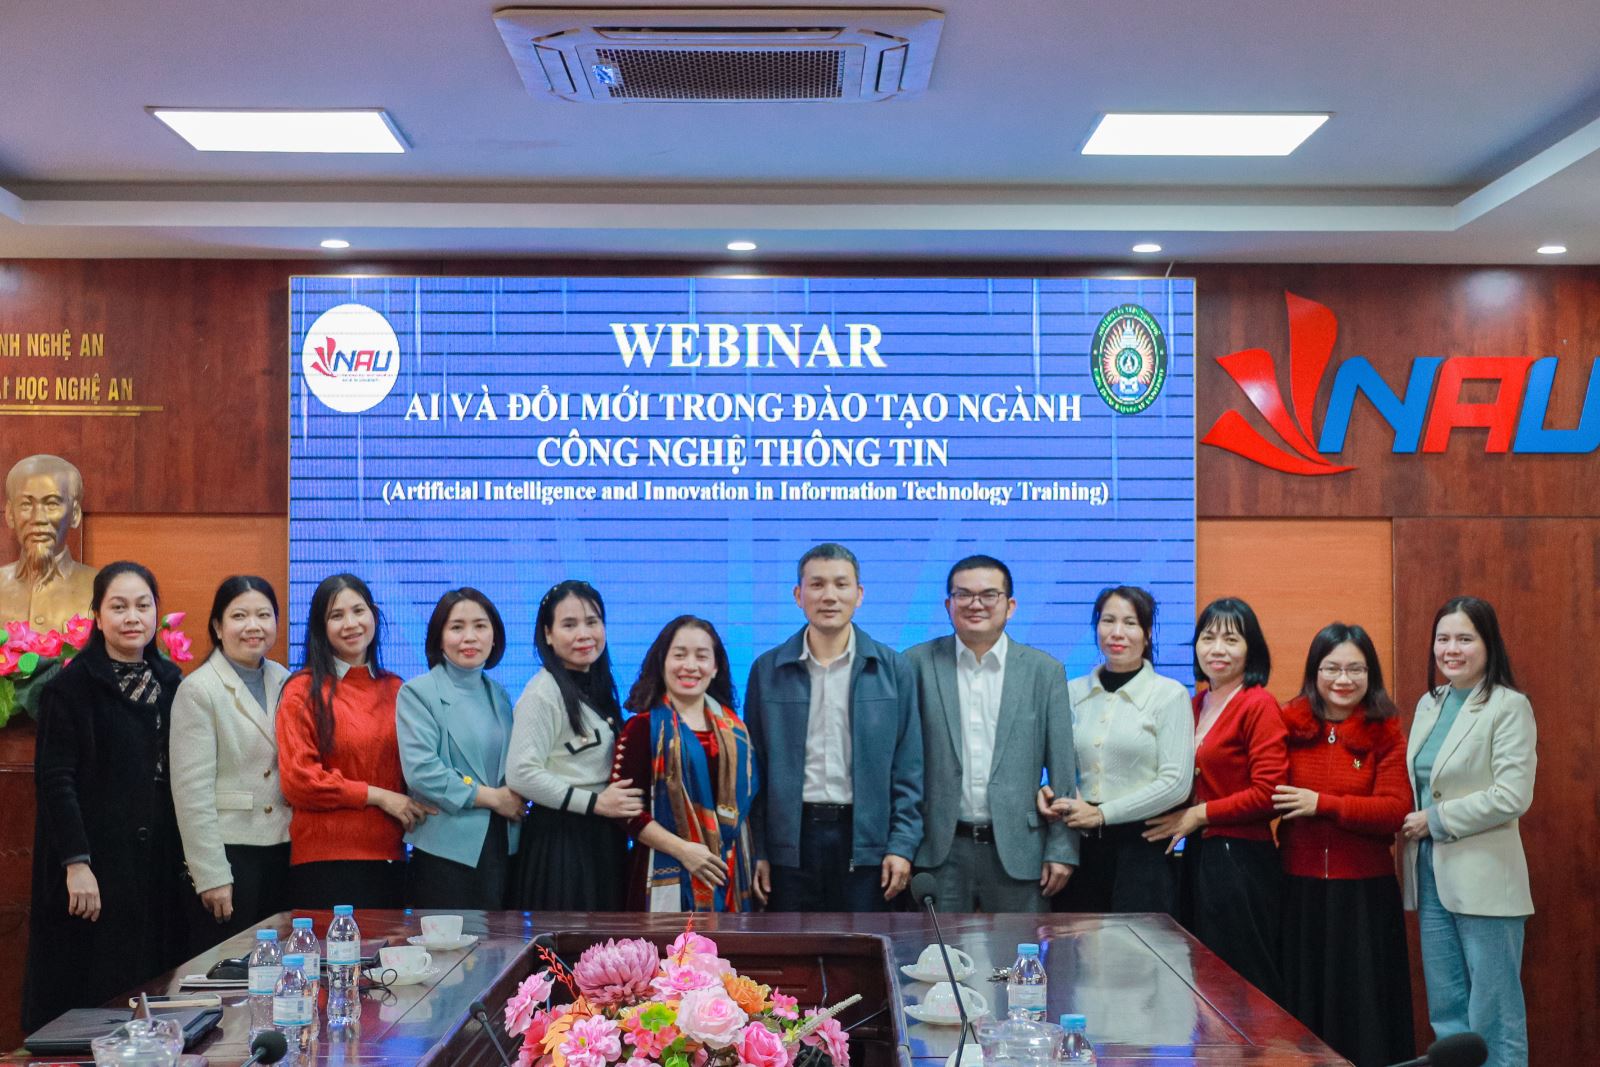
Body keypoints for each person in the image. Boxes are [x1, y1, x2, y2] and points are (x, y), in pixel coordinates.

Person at [22, 561, 185, 1032]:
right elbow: (56, 781)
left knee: (152, 993)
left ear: (156, 613)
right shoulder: (69, 688)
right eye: (118, 607)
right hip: (93, 870)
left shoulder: (172, 683)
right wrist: (76, 863)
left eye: (143, 605)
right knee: (91, 998)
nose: (132, 617)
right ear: (97, 615)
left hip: (154, 867)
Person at [745, 542, 923, 912]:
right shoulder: (768, 670)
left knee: (865, 944)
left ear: (859, 595)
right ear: (798, 595)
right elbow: (755, 770)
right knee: (792, 944)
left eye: (841, 585)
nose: (829, 596)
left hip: (867, 842)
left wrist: (901, 846)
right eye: (817, 584)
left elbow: (909, 768)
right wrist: (759, 849)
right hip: (790, 843)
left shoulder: (892, 669)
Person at [1400, 597, 1535, 1067]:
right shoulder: (1430, 703)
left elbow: (1512, 795)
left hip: (1486, 880)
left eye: (1464, 638)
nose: (1451, 649)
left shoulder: (1508, 706)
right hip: (1430, 873)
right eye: (1443, 639)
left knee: (1495, 1018)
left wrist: (1436, 819)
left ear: (1488, 643)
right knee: (1449, 1015)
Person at [1273, 623, 1414, 1067]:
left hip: (1364, 895)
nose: (1343, 679)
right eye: (1331, 668)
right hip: (1298, 891)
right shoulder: (1287, 723)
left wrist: (1322, 804)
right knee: (1300, 1016)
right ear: (1314, 672)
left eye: (1356, 669)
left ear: (1371, 675)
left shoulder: (1386, 730)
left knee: (1364, 1016)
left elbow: (1395, 810)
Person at [908, 555, 1077, 912]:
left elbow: (1063, 768)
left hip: (1021, 850)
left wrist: (1062, 849)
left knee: (1019, 949)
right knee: (937, 948)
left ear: (1010, 605)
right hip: (938, 850)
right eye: (963, 594)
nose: (975, 604)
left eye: (989, 595)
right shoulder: (916, 664)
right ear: (948, 604)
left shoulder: (1044, 671)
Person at [1145, 596, 1287, 1005]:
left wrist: (1199, 814)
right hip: (1199, 856)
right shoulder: (1193, 703)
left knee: (1244, 978)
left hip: (1242, 860)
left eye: (1231, 639)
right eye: (1208, 638)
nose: (1217, 649)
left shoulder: (1257, 703)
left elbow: (1270, 792)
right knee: (1203, 979)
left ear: (1251, 649)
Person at [275, 574, 431, 908]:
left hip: (391, 858)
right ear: (321, 627)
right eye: (336, 615)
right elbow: (299, 782)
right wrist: (379, 796)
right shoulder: (301, 689)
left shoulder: (397, 689)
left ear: (373, 614)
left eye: (358, 611)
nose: (351, 624)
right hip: (324, 863)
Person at [1039, 585, 1192, 915]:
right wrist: (1044, 790)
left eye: (1130, 623)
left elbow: (1176, 783)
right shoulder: (1071, 692)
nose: (1117, 632)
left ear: (1147, 634)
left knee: (1135, 946)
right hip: (1077, 846)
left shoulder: (1170, 695)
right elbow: (1052, 761)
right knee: (1074, 942)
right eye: (1108, 620)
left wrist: (1102, 814)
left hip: (1142, 849)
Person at [170, 575, 292, 953]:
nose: (253, 626)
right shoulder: (199, 689)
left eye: (264, 615)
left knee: (279, 965)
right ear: (218, 627)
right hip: (231, 854)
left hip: (283, 847)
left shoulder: (285, 679)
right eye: (239, 616)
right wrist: (211, 874)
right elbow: (191, 793)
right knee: (229, 967)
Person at [507, 580, 643, 911]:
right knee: (570, 939)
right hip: (563, 842)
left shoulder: (597, 684)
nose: (584, 634)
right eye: (569, 625)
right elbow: (521, 773)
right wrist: (596, 803)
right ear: (548, 634)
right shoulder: (543, 692)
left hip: (602, 835)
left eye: (592, 622)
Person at [613, 615, 759, 912]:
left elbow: (749, 807)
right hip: (664, 869)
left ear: (715, 667)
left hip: (731, 870)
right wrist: (684, 851)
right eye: (679, 655)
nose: (690, 666)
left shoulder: (738, 733)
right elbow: (627, 814)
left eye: (701, 656)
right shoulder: (642, 728)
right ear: (662, 662)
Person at [397, 588, 522, 910]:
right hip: (446, 851)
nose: (470, 637)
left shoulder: (500, 694)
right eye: (456, 627)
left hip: (502, 844)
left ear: (494, 636)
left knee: (502, 940)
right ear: (439, 638)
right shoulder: (418, 692)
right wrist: (493, 798)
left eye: (480, 626)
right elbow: (422, 771)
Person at [0, 453, 97, 632]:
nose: (38, 518)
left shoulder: (102, 589)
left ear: (75, 514)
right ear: (10, 514)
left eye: (52, 504)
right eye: (26, 504)